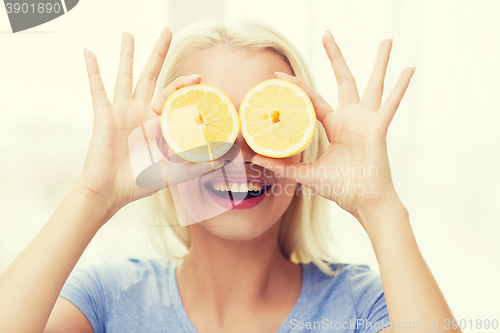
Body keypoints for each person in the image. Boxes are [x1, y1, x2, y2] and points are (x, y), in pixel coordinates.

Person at [0, 17, 460, 333]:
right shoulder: (106, 299)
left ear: (306, 142)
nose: (240, 153)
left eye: (268, 121)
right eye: (207, 124)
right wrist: (92, 196)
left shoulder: (362, 307)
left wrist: (380, 207)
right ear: (164, 145)